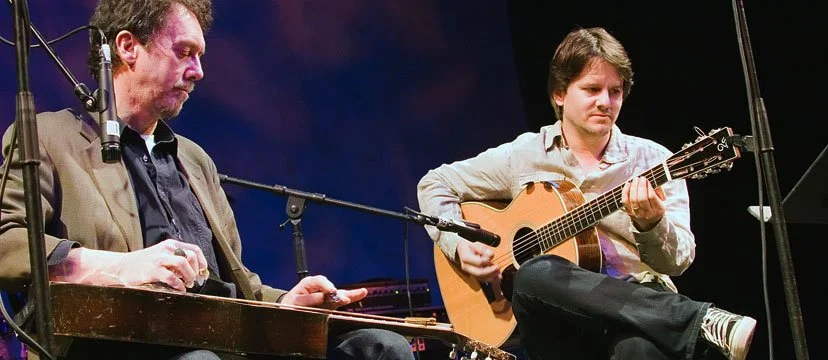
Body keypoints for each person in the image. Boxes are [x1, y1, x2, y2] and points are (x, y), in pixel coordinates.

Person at [0, 1, 414, 359]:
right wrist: (119, 266)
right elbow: (6, 241)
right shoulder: (47, 137)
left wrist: (288, 302)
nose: (198, 71)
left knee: (381, 348)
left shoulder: (195, 160)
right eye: (185, 52)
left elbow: (239, 287)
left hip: (223, 338)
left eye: (199, 57)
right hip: (123, 343)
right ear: (128, 47)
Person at [417, 27, 756, 360]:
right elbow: (435, 183)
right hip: (559, 318)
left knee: (640, 350)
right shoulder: (524, 155)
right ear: (560, 94)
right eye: (592, 89)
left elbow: (678, 262)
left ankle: (694, 323)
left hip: (638, 302)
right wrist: (458, 245)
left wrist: (652, 224)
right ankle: (697, 320)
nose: (605, 102)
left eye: (615, 92)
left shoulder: (653, 160)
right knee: (534, 274)